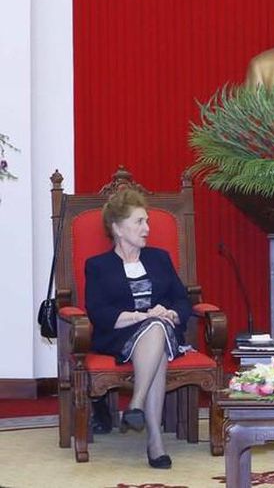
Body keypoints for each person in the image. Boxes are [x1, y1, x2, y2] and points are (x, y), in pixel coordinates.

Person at [85, 188, 192, 469]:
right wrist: (141, 316)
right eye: (139, 222)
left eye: (147, 221)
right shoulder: (98, 266)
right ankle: (153, 439)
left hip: (164, 331)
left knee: (157, 329)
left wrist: (170, 313)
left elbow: (183, 300)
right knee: (154, 331)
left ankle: (137, 405)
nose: (147, 228)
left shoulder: (159, 258)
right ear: (118, 228)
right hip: (119, 336)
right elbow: (99, 312)